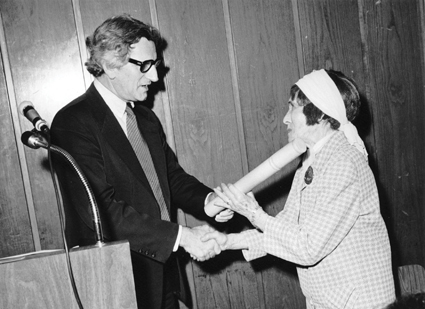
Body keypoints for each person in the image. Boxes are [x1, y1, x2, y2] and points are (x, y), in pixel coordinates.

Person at [50, 14, 231, 309]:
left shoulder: (144, 118)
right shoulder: (73, 123)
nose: (155, 77)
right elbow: (103, 212)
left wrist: (208, 200)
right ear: (110, 65)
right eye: (145, 66)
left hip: (165, 276)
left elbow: (171, 177)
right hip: (118, 284)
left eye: (155, 66)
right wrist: (182, 237)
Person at [203, 69, 396, 308]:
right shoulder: (311, 159)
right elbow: (287, 230)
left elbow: (307, 247)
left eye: (292, 107)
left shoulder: (344, 163)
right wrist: (228, 242)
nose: (285, 118)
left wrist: (253, 213)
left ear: (320, 112)